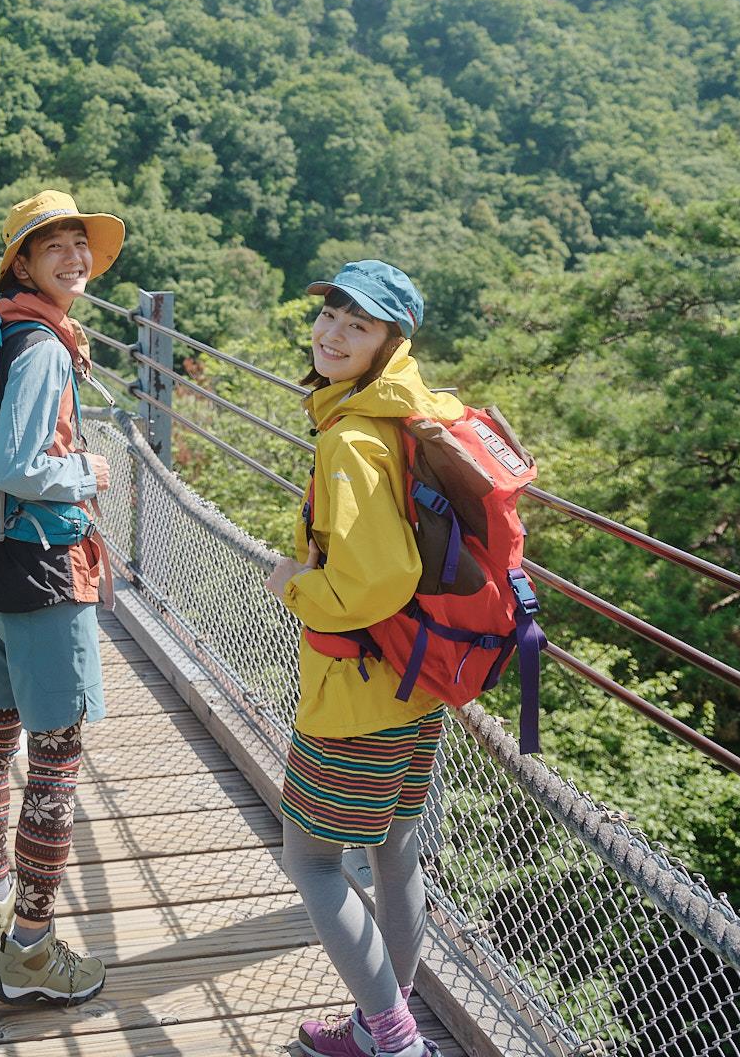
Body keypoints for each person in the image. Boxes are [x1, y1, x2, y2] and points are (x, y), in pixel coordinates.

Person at [263, 260, 463, 1057]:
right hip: (419, 677)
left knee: (309, 860)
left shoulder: (350, 439)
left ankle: (390, 1035)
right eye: (331, 315)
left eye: (359, 325)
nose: (333, 334)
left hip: (361, 686)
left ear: (391, 341)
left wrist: (297, 588)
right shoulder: (412, 413)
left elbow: (378, 578)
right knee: (394, 847)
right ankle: (380, 1019)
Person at [0, 189, 125, 1008]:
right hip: (42, 572)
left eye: (81, 245)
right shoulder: (43, 347)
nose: (74, 258)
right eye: (55, 246)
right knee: (54, 765)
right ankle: (32, 953)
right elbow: (17, 464)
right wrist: (90, 474)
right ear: (22, 261)